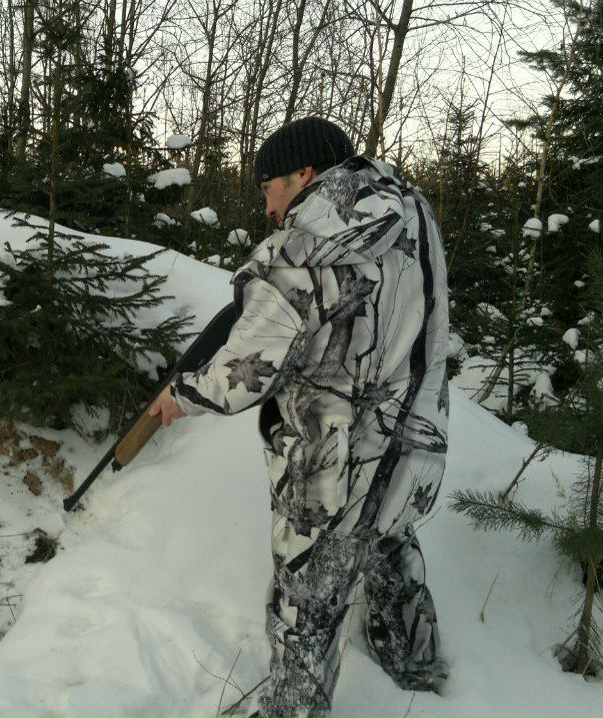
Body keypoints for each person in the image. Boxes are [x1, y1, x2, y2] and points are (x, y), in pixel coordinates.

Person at [149, 117, 450, 717]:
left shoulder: (295, 250)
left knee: (305, 603)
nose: (267, 208)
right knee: (391, 550)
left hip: (329, 466)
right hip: (413, 441)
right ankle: (420, 672)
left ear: (303, 175)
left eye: (268, 190)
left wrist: (181, 396)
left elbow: (247, 372)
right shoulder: (414, 215)